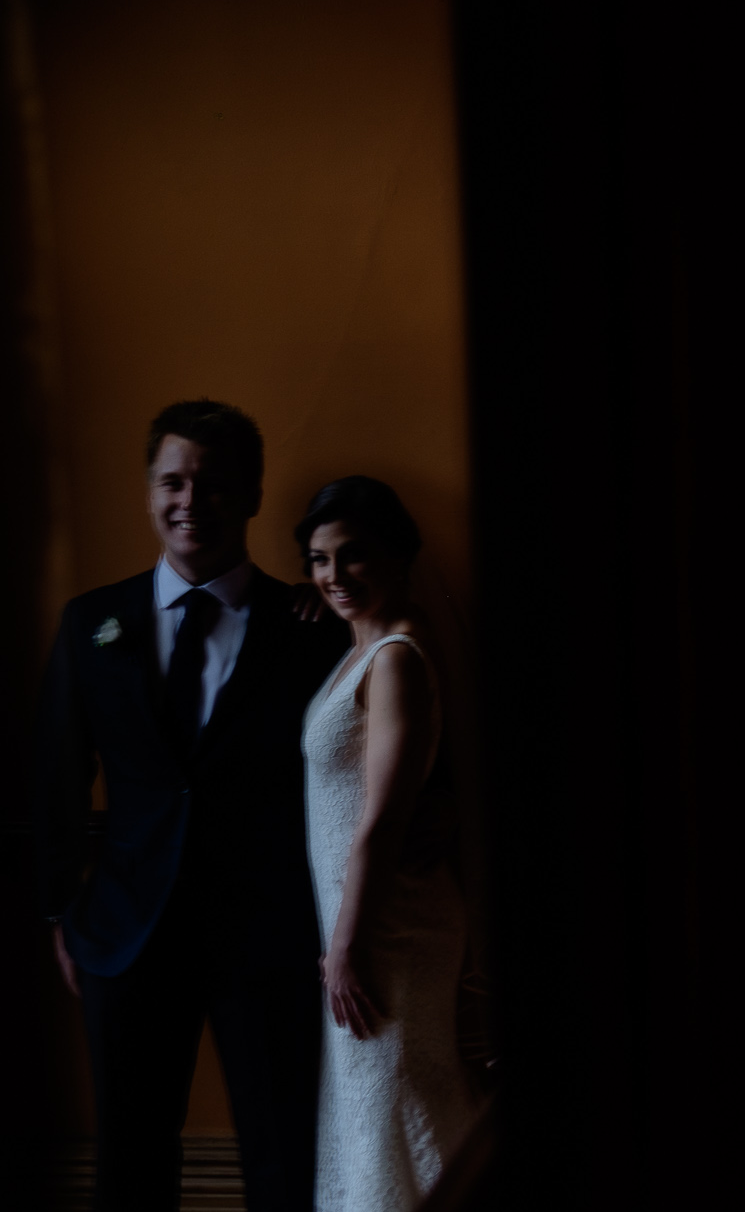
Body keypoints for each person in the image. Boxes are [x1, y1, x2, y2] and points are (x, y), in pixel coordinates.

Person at [33, 400, 349, 1210]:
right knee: (129, 1165)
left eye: (213, 485)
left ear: (250, 494)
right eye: (173, 481)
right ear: (148, 491)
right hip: (123, 937)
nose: (190, 501)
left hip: (268, 940)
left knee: (284, 1159)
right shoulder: (90, 624)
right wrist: (60, 912)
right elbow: (53, 778)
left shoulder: (311, 627)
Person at [295, 476, 474, 1211]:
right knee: (379, 1116)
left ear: (399, 555)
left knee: (400, 1106)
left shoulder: (397, 655)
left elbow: (382, 818)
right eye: (319, 559)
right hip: (362, 924)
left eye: (354, 555)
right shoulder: (355, 647)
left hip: (386, 930)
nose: (335, 574)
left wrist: (347, 942)